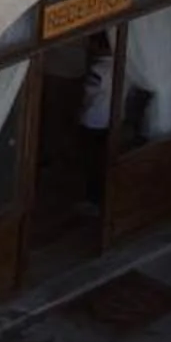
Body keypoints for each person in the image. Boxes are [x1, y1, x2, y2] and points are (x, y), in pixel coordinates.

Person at [74, 38, 115, 217]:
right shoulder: (123, 65)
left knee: (91, 162)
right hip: (112, 120)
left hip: (93, 121)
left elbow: (88, 95)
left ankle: (91, 200)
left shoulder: (97, 70)